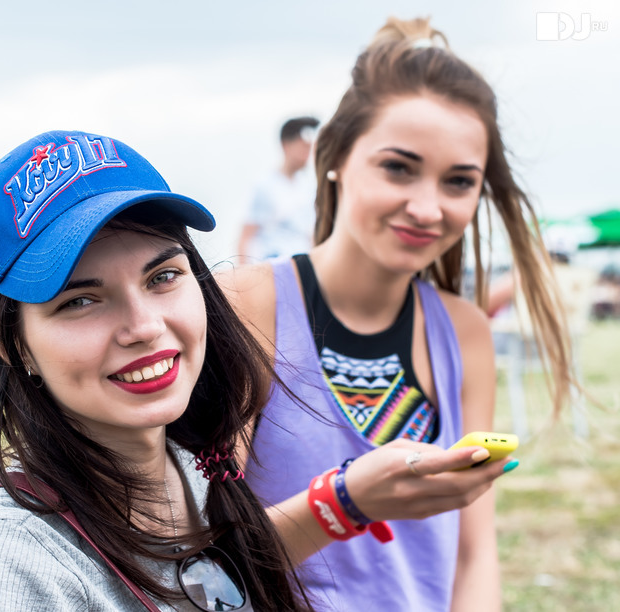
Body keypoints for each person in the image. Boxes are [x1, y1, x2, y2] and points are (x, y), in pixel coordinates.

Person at [219, 17, 574, 612]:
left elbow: (473, 556)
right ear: (335, 157)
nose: (427, 207)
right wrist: (342, 503)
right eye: (399, 168)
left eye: (458, 181)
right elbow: (201, 562)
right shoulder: (246, 305)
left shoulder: (464, 331)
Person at [0, 129, 317, 610]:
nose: (145, 327)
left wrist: (347, 504)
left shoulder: (194, 471)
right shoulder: (3, 560)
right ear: (10, 346)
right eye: (80, 301)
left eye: (163, 276)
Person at [237, 116, 320, 263]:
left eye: (310, 147)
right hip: (273, 268)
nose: (307, 154)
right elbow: (246, 236)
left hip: (302, 266)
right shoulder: (265, 187)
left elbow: (309, 234)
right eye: (303, 147)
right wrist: (243, 271)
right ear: (286, 145)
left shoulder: (307, 187)